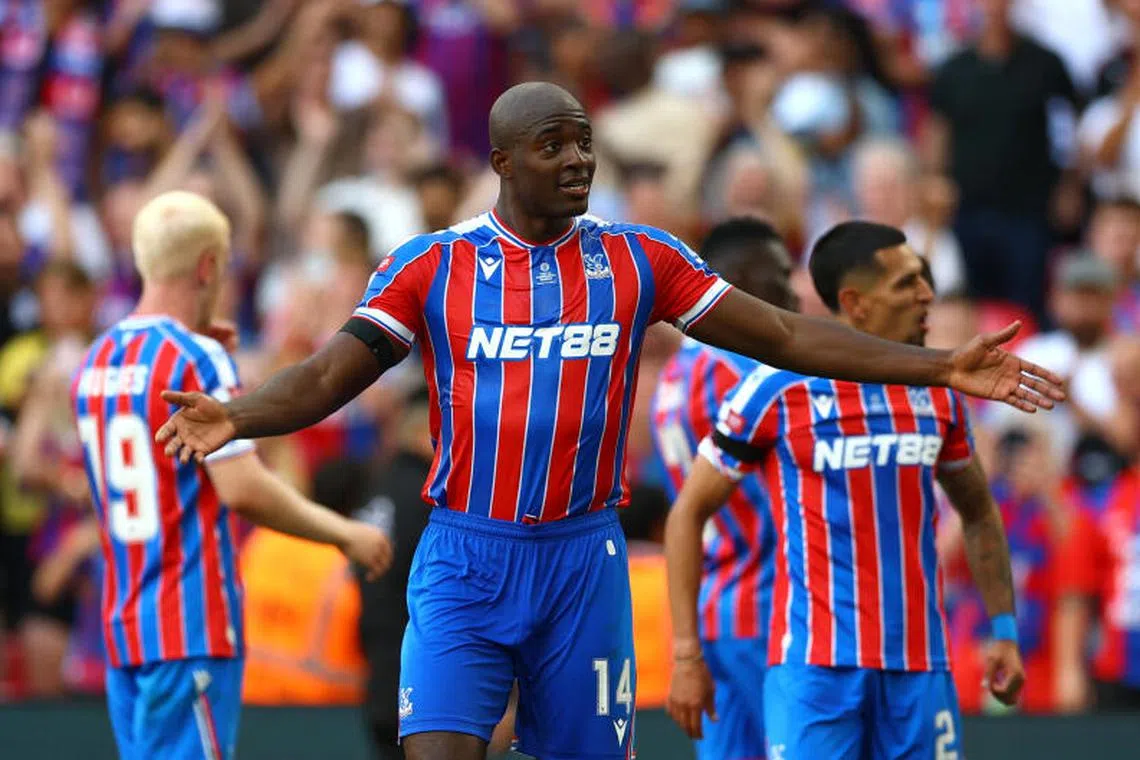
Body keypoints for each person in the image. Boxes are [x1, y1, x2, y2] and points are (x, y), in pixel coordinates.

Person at [156, 83, 1062, 760]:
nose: (579, 161)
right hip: (465, 556)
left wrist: (941, 364)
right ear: (505, 162)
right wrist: (234, 414)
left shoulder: (641, 261)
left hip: (583, 564)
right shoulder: (430, 267)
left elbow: (786, 333)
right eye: (554, 146)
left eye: (585, 144)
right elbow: (325, 377)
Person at [664, 222, 1025, 759]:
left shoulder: (939, 393)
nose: (927, 295)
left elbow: (977, 512)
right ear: (854, 302)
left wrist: (1003, 628)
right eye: (907, 284)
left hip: (922, 665)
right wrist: (687, 654)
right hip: (814, 669)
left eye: (924, 281)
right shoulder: (775, 388)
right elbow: (688, 511)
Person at [70, 191, 392, 760]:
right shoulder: (198, 359)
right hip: (189, 621)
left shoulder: (95, 359)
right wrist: (345, 533)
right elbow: (241, 488)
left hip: (125, 625)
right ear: (209, 265)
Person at [649, 217, 798, 760]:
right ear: (739, 276)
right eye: (779, 273)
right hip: (767, 605)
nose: (792, 289)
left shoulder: (674, 375)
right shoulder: (742, 372)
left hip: (711, 606)